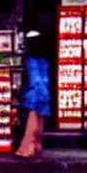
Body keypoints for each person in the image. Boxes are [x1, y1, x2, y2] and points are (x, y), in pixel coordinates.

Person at [15, 30, 52, 159]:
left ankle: (27, 147)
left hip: (34, 92)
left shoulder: (30, 60)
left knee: (32, 120)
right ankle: (36, 145)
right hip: (45, 92)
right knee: (40, 120)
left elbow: (33, 78)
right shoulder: (45, 60)